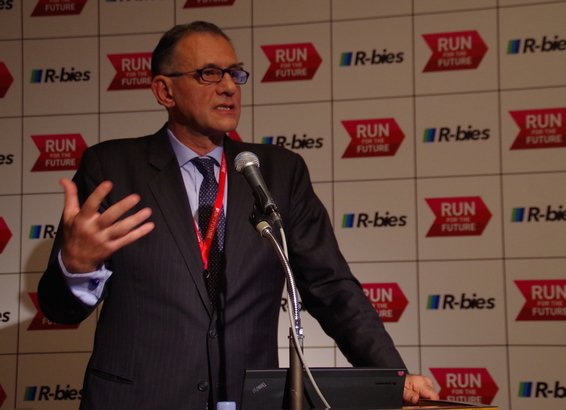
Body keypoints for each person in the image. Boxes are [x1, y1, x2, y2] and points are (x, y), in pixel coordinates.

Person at [38, 21, 439, 410]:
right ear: (164, 90)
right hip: (141, 398)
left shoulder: (278, 173)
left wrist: (394, 376)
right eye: (209, 74)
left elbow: (331, 287)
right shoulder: (112, 167)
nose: (229, 86)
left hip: (250, 397)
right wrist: (75, 266)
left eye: (235, 73)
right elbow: (59, 309)